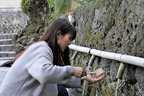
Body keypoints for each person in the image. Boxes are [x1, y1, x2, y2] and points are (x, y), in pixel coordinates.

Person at [0, 18, 104, 96]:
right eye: (69, 38)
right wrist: (72, 70)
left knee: (60, 91)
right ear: (59, 34)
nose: (69, 43)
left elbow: (54, 77)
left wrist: (83, 78)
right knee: (61, 92)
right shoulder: (41, 49)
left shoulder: (45, 49)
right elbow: (44, 74)